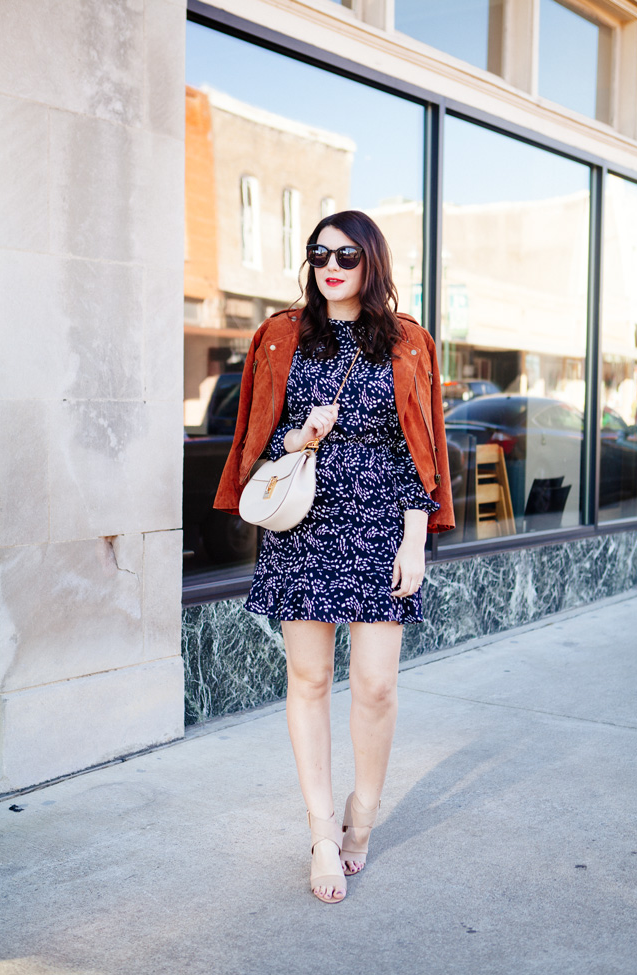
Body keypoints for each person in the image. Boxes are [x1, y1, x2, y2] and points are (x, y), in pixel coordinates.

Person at [214, 210, 454, 903]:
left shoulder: (408, 341)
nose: (331, 266)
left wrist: (415, 537)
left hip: (382, 525)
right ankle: (321, 829)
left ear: (370, 261)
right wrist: (298, 438)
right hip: (304, 527)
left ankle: (363, 813)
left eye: (346, 254)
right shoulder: (280, 336)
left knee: (376, 684)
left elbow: (422, 445)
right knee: (310, 678)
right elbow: (253, 440)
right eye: (320, 254)